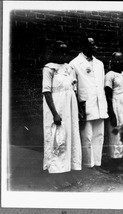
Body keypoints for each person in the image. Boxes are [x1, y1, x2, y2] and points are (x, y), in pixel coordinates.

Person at [42, 40, 82, 186]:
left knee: (70, 137)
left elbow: (74, 89)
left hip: (70, 108)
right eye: (60, 51)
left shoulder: (69, 68)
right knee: (58, 138)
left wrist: (78, 110)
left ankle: (68, 171)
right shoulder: (49, 68)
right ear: (54, 52)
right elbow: (46, 92)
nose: (63, 54)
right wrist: (55, 114)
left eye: (65, 51)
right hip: (57, 108)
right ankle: (57, 176)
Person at [69, 35, 109, 173]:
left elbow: (101, 85)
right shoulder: (74, 64)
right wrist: (79, 107)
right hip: (85, 105)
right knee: (87, 136)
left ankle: (98, 163)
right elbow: (74, 88)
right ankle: (89, 165)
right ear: (83, 46)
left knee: (99, 135)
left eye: (94, 44)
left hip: (99, 103)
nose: (94, 47)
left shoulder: (99, 64)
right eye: (91, 44)